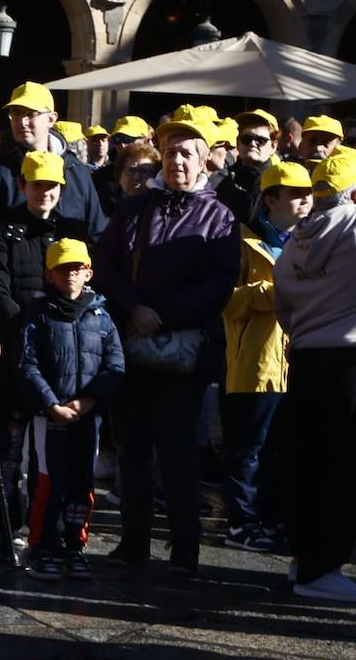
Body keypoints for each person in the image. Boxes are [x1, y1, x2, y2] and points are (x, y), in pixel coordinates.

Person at [92, 115, 239, 576]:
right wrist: (135, 307)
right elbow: (106, 264)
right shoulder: (136, 207)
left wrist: (163, 315)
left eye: (188, 153)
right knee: (131, 449)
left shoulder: (219, 216)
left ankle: (184, 551)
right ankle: (133, 542)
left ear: (202, 163)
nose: (178, 160)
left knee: (177, 453)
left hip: (183, 354)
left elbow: (220, 283)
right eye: (172, 152)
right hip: (133, 347)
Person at [0, 152, 93, 555]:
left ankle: (48, 526)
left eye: (52, 185)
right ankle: (2, 524)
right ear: (24, 185)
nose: (44, 192)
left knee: (51, 453)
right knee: (8, 448)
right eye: (37, 184)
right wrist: (25, 332)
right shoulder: (2, 228)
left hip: (57, 361)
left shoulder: (74, 229)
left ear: (62, 189)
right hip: (14, 354)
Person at [274, 150, 356, 601]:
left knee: (307, 462)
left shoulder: (298, 237)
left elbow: (283, 301)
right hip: (347, 359)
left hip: (304, 356)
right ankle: (322, 568)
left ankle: (303, 559)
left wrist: (306, 330)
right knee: (342, 466)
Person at [18, 238, 124, 581]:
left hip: (86, 417)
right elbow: (27, 365)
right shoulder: (38, 316)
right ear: (49, 275)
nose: (71, 275)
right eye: (63, 269)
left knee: (82, 483)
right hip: (49, 417)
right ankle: (43, 544)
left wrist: (88, 401)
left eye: (77, 268)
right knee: (49, 483)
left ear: (88, 273)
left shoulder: (101, 316)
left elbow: (115, 365)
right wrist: (51, 404)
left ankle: (75, 546)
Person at [220, 162, 311, 553]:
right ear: (271, 200)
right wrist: (271, 294)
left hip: (298, 364)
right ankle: (240, 524)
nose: (306, 199)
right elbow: (226, 300)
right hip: (254, 364)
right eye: (295, 193)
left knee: (282, 448)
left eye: (308, 192)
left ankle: (272, 520)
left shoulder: (312, 240)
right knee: (247, 449)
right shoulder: (240, 239)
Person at [0, 82, 108, 295]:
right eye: (15, 113)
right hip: (13, 306)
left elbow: (97, 237)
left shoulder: (78, 172)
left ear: (51, 118)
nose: (21, 121)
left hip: (70, 304)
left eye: (30, 114)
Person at [217, 109, 279, 221]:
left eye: (261, 140)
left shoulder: (279, 181)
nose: (252, 144)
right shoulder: (224, 175)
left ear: (273, 146)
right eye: (246, 139)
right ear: (238, 143)